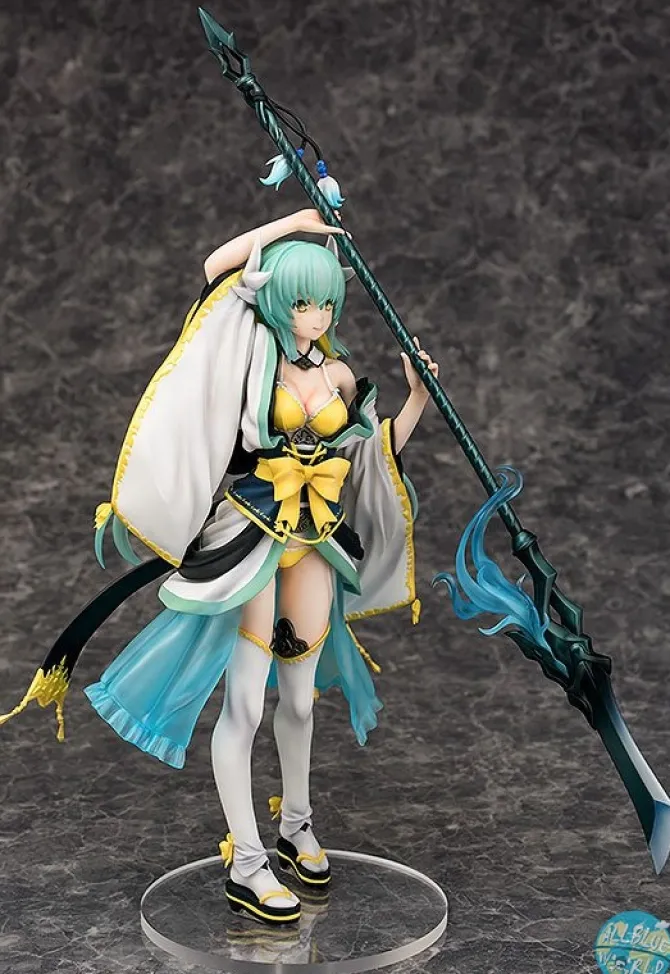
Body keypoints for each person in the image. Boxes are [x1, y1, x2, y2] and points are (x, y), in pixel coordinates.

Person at [1, 208, 439, 926]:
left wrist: (418, 394)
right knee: (245, 705)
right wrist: (295, 220)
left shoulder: (336, 371)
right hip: (254, 536)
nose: (316, 314)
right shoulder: (250, 355)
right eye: (303, 300)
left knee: (300, 700)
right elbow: (215, 270)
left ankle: (295, 825)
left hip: (316, 537)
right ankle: (246, 860)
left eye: (326, 301)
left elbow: (368, 453)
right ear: (280, 300)